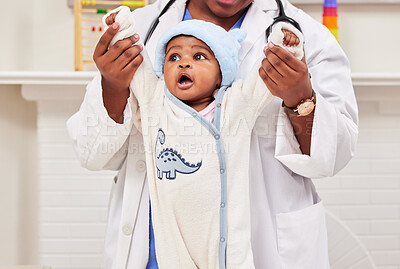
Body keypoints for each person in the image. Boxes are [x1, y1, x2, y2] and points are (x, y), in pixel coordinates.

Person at [67, 0, 358, 268]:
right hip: (156, 252)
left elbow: (333, 155)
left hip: (261, 250)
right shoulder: (142, 29)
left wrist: (300, 98)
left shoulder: (304, 35)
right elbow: (91, 151)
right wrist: (113, 87)